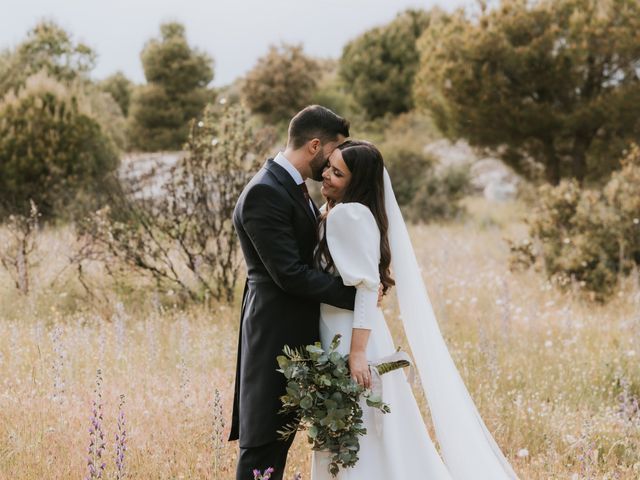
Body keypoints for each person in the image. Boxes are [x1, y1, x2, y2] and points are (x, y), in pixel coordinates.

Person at [311, 140, 520, 479]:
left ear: (357, 182)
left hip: (352, 338)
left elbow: (365, 288)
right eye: (328, 167)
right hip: (350, 330)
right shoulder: (340, 211)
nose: (327, 175)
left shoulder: (348, 215)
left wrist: (357, 353)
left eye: (338, 173)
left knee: (361, 429)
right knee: (367, 430)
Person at [229, 105, 358, 480]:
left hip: (294, 338)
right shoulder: (264, 193)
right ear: (315, 145)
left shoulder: (291, 187)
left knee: (276, 448)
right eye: (333, 151)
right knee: (262, 451)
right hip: (274, 338)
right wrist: (354, 296)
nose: (336, 159)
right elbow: (290, 274)